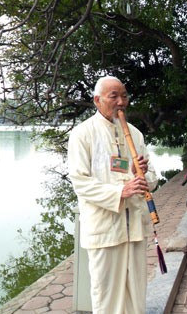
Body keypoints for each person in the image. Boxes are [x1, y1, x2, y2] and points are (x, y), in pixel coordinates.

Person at [68, 76, 158, 313]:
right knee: (106, 298)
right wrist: (120, 191)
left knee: (136, 297)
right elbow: (80, 182)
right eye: (114, 96)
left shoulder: (135, 134)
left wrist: (139, 174)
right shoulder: (82, 134)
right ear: (97, 100)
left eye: (124, 96)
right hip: (105, 230)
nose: (121, 102)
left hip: (135, 229)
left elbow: (152, 181)